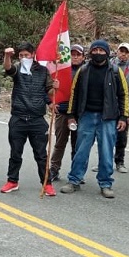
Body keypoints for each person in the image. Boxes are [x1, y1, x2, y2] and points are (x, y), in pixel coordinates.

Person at [60, 40, 128, 198]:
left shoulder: (116, 71)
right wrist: (71, 116)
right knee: (80, 151)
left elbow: (124, 94)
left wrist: (123, 117)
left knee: (106, 152)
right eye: (95, 50)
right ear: (91, 52)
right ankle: (74, 180)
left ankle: (105, 184)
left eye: (101, 50)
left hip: (108, 118)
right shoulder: (83, 71)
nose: (98, 53)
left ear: (107, 52)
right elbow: (74, 94)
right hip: (87, 116)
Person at [0, 42, 55, 195]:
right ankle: (12, 181)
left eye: (27, 55)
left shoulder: (43, 71)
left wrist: (54, 88)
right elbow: (8, 68)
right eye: (21, 55)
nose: (24, 58)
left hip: (37, 119)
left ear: (33, 55)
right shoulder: (17, 68)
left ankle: (47, 183)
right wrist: (7, 56)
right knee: (15, 153)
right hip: (18, 118)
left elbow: (48, 91)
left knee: (41, 155)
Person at [49, 44, 84, 182]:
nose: (75, 57)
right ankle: (54, 169)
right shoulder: (62, 69)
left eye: (78, 54)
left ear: (83, 56)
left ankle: (76, 172)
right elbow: (51, 89)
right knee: (60, 143)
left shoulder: (86, 71)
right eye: (73, 54)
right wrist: (52, 101)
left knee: (78, 145)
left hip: (79, 114)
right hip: (63, 112)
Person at [111, 42, 129, 173]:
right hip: (109, 105)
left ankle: (120, 162)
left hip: (123, 105)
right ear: (117, 51)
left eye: (126, 52)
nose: (123, 54)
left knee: (122, 136)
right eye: (121, 51)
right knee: (106, 135)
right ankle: (104, 161)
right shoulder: (109, 64)